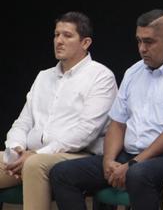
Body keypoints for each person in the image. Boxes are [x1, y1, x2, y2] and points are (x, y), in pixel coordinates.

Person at [49, 9, 163, 210]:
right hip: (132, 155)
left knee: (138, 175)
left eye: (149, 42)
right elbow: (117, 124)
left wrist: (134, 164)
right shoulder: (133, 72)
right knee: (62, 174)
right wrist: (109, 161)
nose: (142, 48)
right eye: (139, 41)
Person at [0, 12, 117, 210]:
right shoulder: (43, 77)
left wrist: (37, 154)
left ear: (85, 42)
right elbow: (23, 122)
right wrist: (15, 149)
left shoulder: (101, 76)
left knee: (35, 165)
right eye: (56, 35)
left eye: (67, 35)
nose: (59, 41)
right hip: (30, 154)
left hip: (77, 154)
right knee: (20, 161)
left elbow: (85, 132)